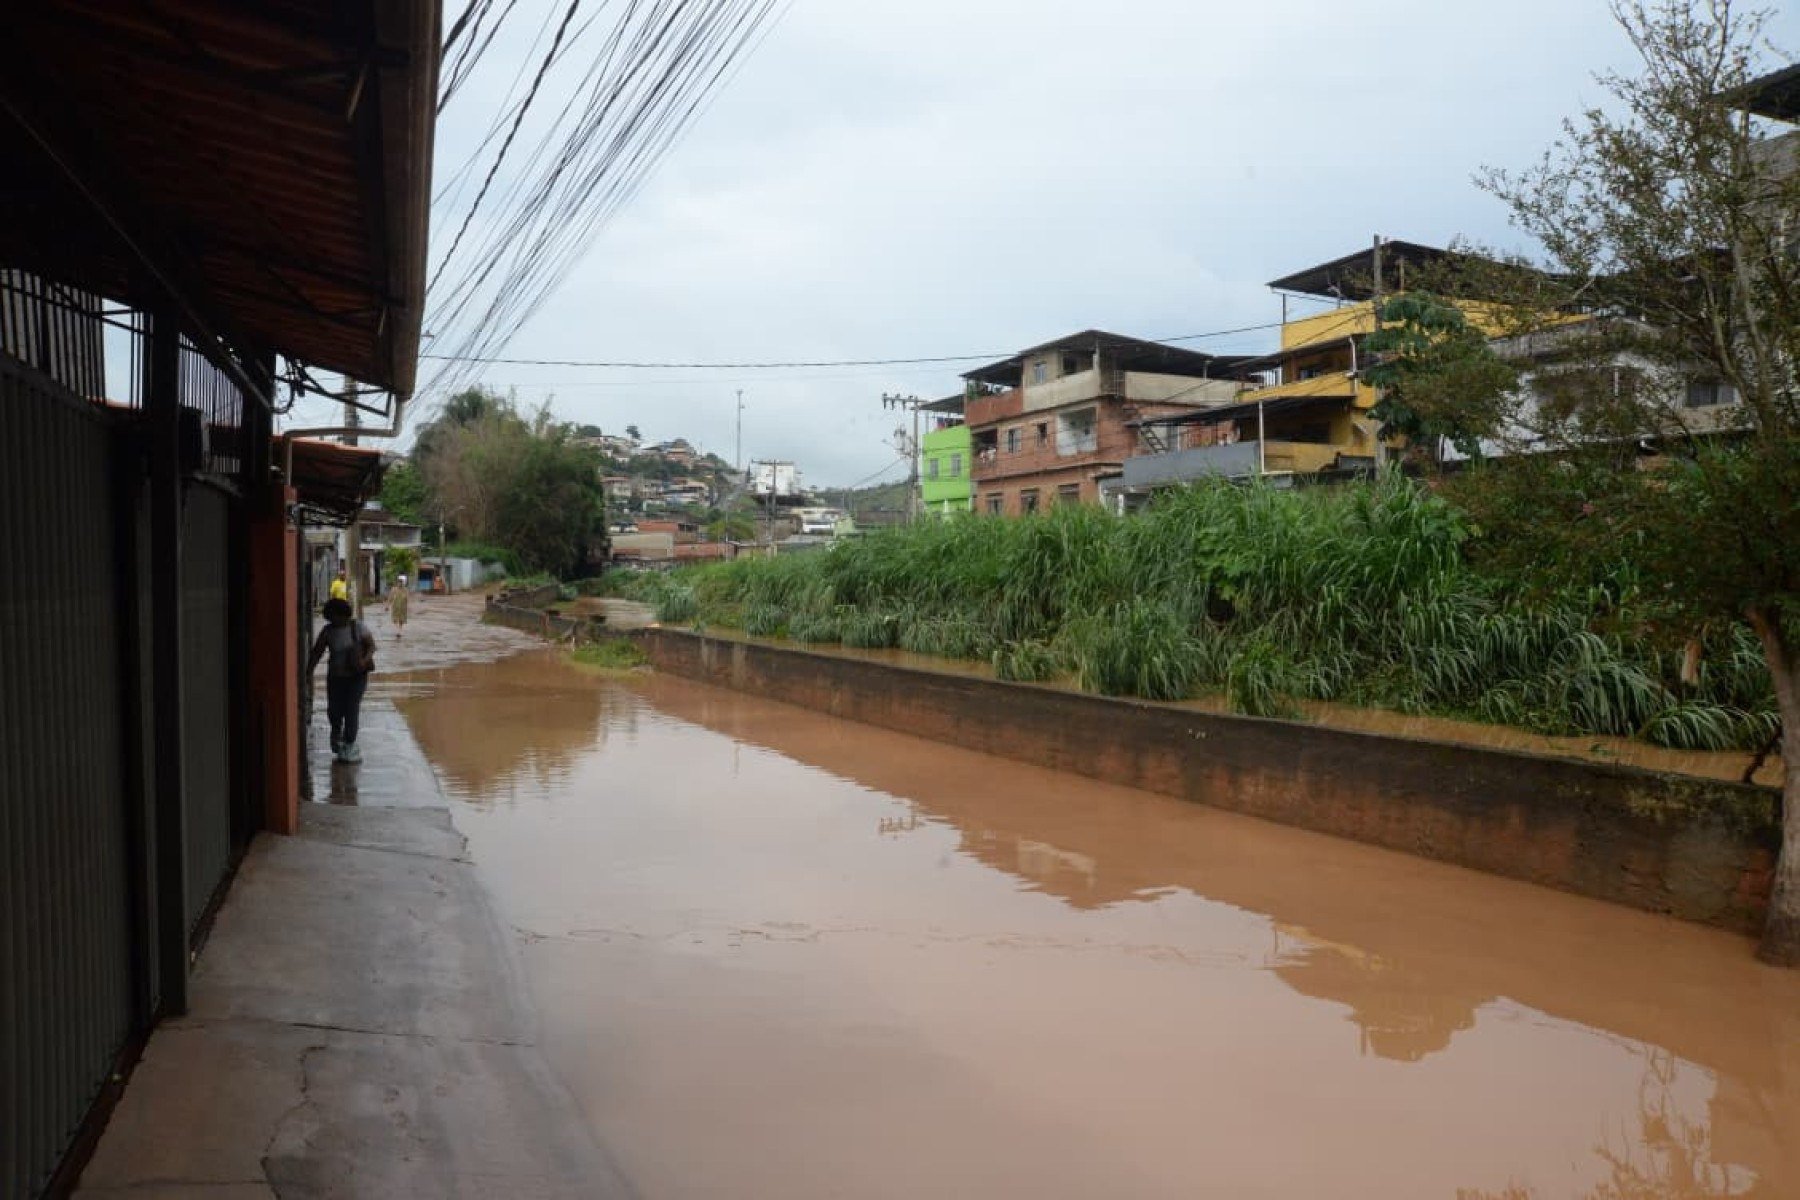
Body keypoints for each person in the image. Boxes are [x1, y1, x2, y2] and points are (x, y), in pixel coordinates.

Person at [307, 597, 376, 762]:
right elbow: (317, 652)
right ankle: (336, 733)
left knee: (352, 709)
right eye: (330, 617)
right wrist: (308, 672)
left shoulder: (357, 627)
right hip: (336, 678)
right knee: (335, 710)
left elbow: (371, 646)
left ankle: (349, 743)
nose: (332, 619)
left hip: (357, 677)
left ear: (343, 615)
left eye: (334, 616)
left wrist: (363, 661)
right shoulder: (327, 632)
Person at [387, 574, 410, 639]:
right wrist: (387, 605)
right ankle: (398, 630)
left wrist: (408, 606)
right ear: (397, 582)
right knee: (394, 619)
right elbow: (390, 598)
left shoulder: (405, 590)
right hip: (395, 606)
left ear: (403, 583)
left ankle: (399, 631)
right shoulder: (393, 589)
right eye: (399, 582)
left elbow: (407, 598)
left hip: (403, 607)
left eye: (401, 582)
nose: (400, 583)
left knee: (401, 620)